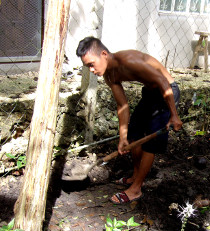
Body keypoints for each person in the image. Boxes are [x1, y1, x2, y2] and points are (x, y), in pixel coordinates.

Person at [76, 36, 182, 205]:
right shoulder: (109, 76)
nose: (91, 70)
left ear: (103, 54)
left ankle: (136, 189)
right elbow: (122, 105)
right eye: (87, 66)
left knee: (151, 143)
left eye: (91, 64)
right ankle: (135, 175)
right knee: (133, 134)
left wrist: (174, 115)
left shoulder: (129, 61)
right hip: (150, 93)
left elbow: (162, 81)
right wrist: (122, 136)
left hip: (166, 91)